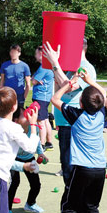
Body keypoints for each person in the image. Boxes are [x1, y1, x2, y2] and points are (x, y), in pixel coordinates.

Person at [51, 68, 107, 213]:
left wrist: (68, 84)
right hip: (99, 169)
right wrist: (90, 81)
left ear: (81, 103)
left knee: (69, 206)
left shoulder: (77, 115)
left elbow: (55, 99)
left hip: (82, 168)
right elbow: (104, 95)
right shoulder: (101, 115)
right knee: (91, 206)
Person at [43, 38, 96, 184]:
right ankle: (71, 200)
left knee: (72, 169)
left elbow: (70, 87)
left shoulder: (85, 67)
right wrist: (57, 70)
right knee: (67, 166)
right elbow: (58, 90)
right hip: (65, 122)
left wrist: (55, 63)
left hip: (73, 124)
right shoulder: (70, 68)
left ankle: (72, 202)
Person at [8, 106, 49, 213]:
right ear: (16, 120)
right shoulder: (14, 130)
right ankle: (8, 210)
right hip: (14, 158)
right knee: (14, 183)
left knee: (36, 184)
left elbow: (36, 142)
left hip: (29, 158)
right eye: (24, 115)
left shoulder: (32, 128)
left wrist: (41, 154)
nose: (28, 116)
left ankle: (30, 203)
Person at [31, 46, 55, 151]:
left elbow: (33, 81)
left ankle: (42, 144)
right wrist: (35, 78)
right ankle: (49, 142)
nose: (35, 55)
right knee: (45, 120)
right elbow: (35, 79)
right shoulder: (45, 67)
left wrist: (34, 78)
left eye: (36, 53)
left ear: (41, 54)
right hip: (44, 97)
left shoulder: (43, 68)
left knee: (41, 121)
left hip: (41, 97)